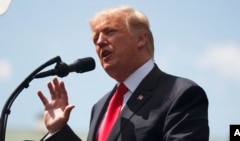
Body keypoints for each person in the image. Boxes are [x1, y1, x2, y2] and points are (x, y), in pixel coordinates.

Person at [37, 6, 209, 141]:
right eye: (95, 38)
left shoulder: (180, 94)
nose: (100, 42)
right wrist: (59, 130)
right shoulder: (99, 107)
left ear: (141, 39)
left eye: (110, 31)